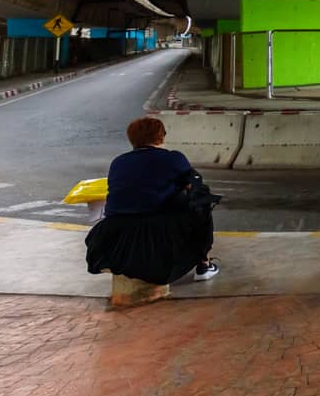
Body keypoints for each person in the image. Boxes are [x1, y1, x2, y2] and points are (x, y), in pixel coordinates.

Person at [85, 116, 220, 285]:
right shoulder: (173, 158)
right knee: (202, 201)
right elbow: (194, 186)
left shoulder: (118, 162)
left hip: (115, 237)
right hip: (158, 236)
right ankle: (204, 264)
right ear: (160, 137)